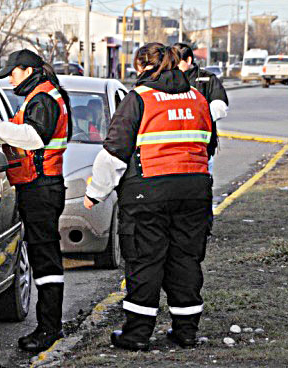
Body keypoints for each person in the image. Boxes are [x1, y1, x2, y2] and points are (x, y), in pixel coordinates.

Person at [83, 43, 215, 351]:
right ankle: (186, 332)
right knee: (186, 260)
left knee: (145, 260)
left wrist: (94, 194)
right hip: (194, 191)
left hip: (148, 193)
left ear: (142, 66)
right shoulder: (197, 98)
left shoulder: (139, 99)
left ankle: (138, 334)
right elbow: (209, 144)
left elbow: (114, 153)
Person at [0, 49, 72, 353]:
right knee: (42, 257)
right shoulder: (42, 95)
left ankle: (49, 329)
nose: (10, 78)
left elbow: (33, 137)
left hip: (41, 187)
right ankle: (49, 325)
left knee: (45, 260)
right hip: (39, 186)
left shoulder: (44, 98)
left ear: (29, 70)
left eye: (13, 72)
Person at [173, 43, 229, 174]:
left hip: (202, 148)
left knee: (201, 188)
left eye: (177, 62)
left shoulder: (207, 79)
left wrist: (198, 116)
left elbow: (220, 105)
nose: (173, 66)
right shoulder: (168, 80)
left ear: (188, 60)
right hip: (174, 147)